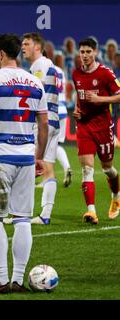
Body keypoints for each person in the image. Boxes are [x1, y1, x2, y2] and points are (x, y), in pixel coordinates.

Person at [0, 34, 48, 293]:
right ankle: (18, 280)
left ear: (2, 53)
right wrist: (38, 156)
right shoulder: (34, 82)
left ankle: (2, 281)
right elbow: (44, 124)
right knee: (22, 219)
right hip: (26, 158)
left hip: (0, 158)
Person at [73, 38, 120, 223]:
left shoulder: (105, 74)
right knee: (86, 169)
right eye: (82, 52)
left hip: (102, 127)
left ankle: (116, 196)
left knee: (107, 168)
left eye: (88, 52)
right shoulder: (76, 74)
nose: (84, 55)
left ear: (95, 53)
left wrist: (100, 100)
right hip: (84, 126)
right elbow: (80, 97)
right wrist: (77, 110)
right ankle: (91, 212)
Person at [18, 33, 60, 225]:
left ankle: (21, 214)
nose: (23, 47)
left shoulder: (39, 66)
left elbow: (36, 91)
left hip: (42, 121)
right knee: (48, 169)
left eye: (26, 44)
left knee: (28, 166)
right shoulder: (49, 64)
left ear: (37, 46)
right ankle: (45, 215)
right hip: (53, 119)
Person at [55, 64, 73, 187]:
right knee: (56, 144)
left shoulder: (43, 69)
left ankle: (48, 177)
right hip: (63, 109)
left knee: (43, 144)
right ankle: (67, 167)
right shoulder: (60, 70)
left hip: (51, 111)